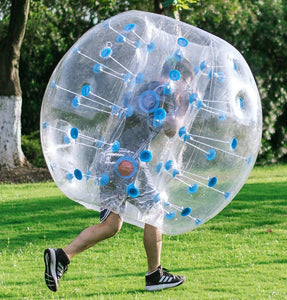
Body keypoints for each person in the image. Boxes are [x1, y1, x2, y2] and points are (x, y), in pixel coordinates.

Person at [44, 57, 194, 292]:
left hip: (112, 157)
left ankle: (61, 256)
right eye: (186, 82)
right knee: (154, 211)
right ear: (177, 76)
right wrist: (184, 107)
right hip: (127, 160)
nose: (186, 88)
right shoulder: (165, 93)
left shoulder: (147, 88)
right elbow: (171, 130)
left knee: (111, 225)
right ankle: (154, 275)